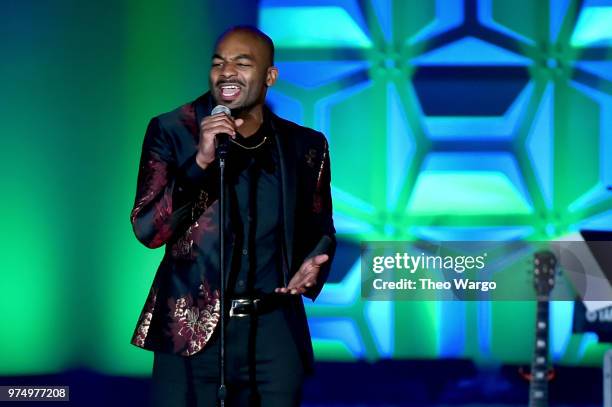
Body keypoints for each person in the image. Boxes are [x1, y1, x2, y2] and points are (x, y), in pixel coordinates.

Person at [129, 25, 336, 406]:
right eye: (218, 63)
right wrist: (200, 162)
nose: (226, 72)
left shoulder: (305, 147)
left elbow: (321, 229)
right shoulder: (173, 131)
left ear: (270, 76)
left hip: (274, 330)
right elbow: (148, 229)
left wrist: (313, 265)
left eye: (242, 63)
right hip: (192, 332)